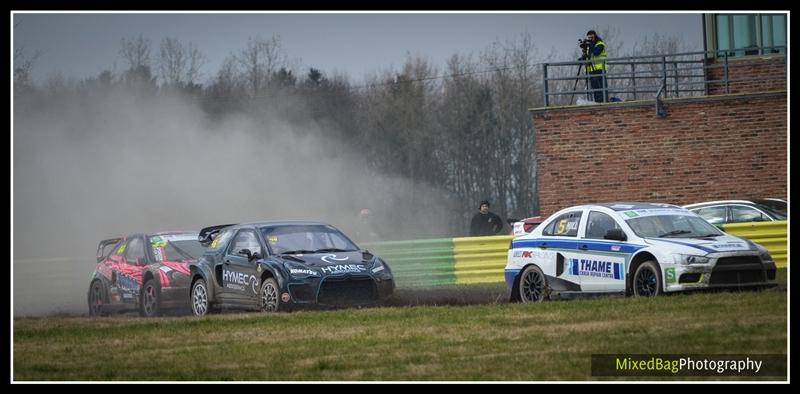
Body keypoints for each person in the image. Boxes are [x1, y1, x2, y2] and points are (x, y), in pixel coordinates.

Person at [579, 30, 608, 103]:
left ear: (595, 36)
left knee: (601, 87)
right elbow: (589, 56)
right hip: (591, 70)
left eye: (591, 38)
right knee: (595, 87)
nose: (590, 39)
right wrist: (582, 58)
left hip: (600, 68)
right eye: (589, 38)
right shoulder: (590, 46)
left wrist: (590, 45)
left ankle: (604, 102)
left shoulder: (600, 44)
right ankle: (597, 102)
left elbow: (596, 53)